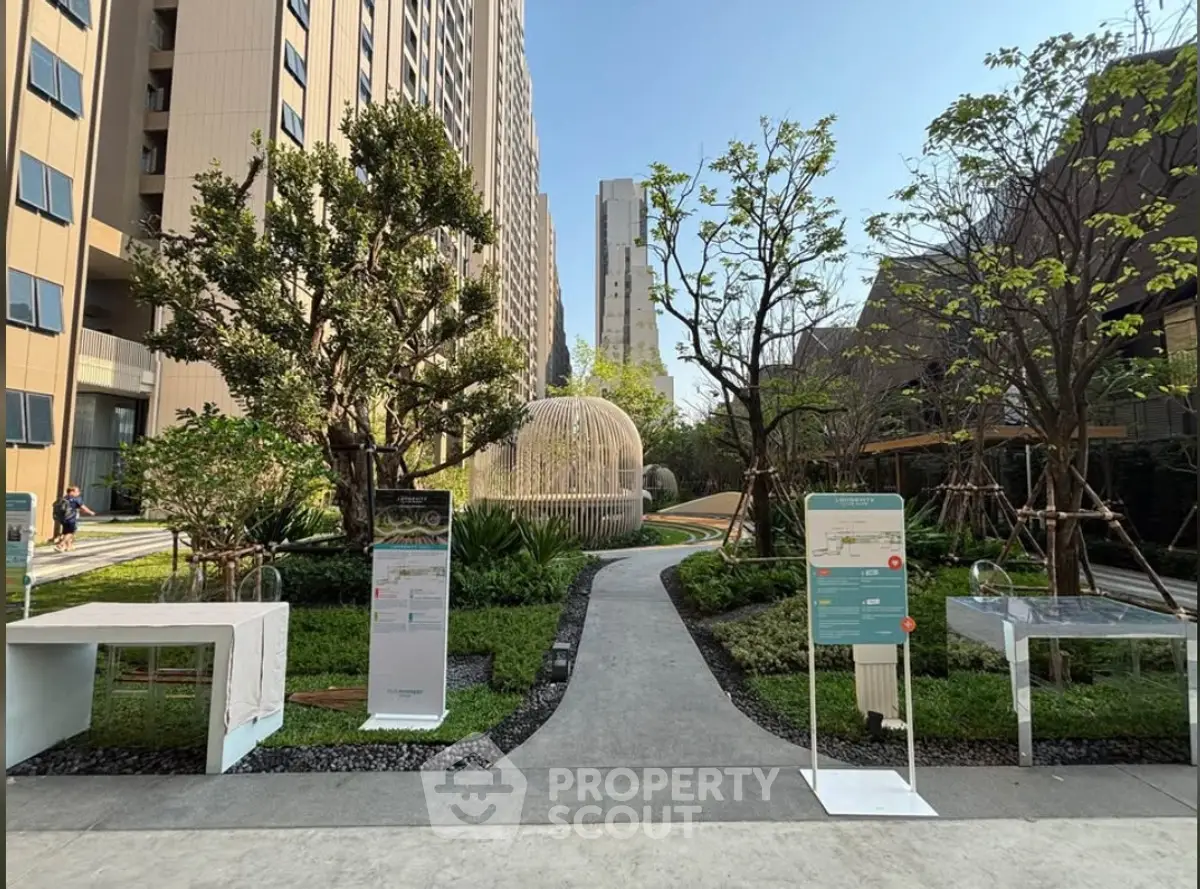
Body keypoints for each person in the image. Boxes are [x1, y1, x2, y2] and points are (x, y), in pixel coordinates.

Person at [51, 485, 94, 553]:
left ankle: (68, 546)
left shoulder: (63, 498)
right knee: (70, 533)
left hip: (62, 519)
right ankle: (60, 544)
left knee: (66, 532)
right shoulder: (76, 499)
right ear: (72, 491)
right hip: (70, 518)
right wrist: (91, 512)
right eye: (77, 491)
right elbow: (83, 507)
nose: (79, 493)